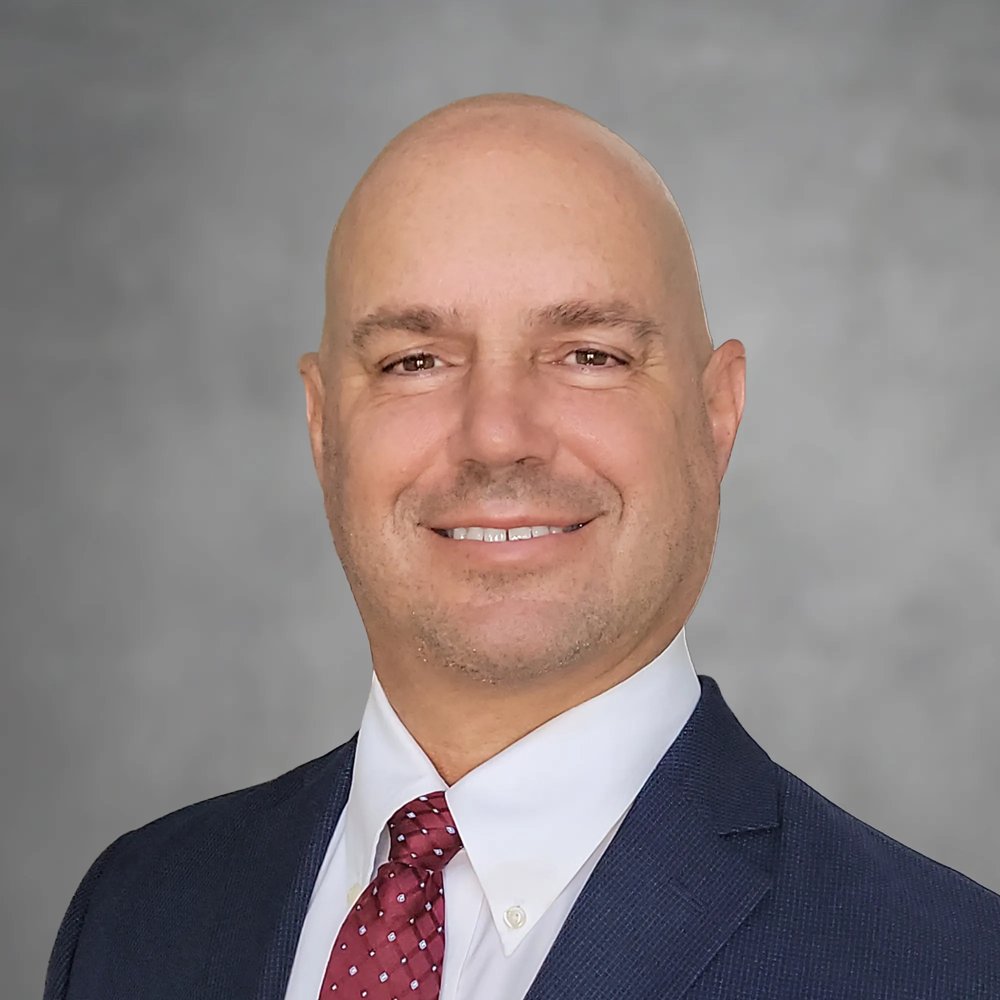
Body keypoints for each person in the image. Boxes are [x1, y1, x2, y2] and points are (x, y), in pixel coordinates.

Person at [45, 93, 1000, 1000]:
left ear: (717, 413)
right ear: (323, 425)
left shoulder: (949, 967)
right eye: (415, 361)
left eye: (590, 355)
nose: (498, 435)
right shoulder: (136, 914)